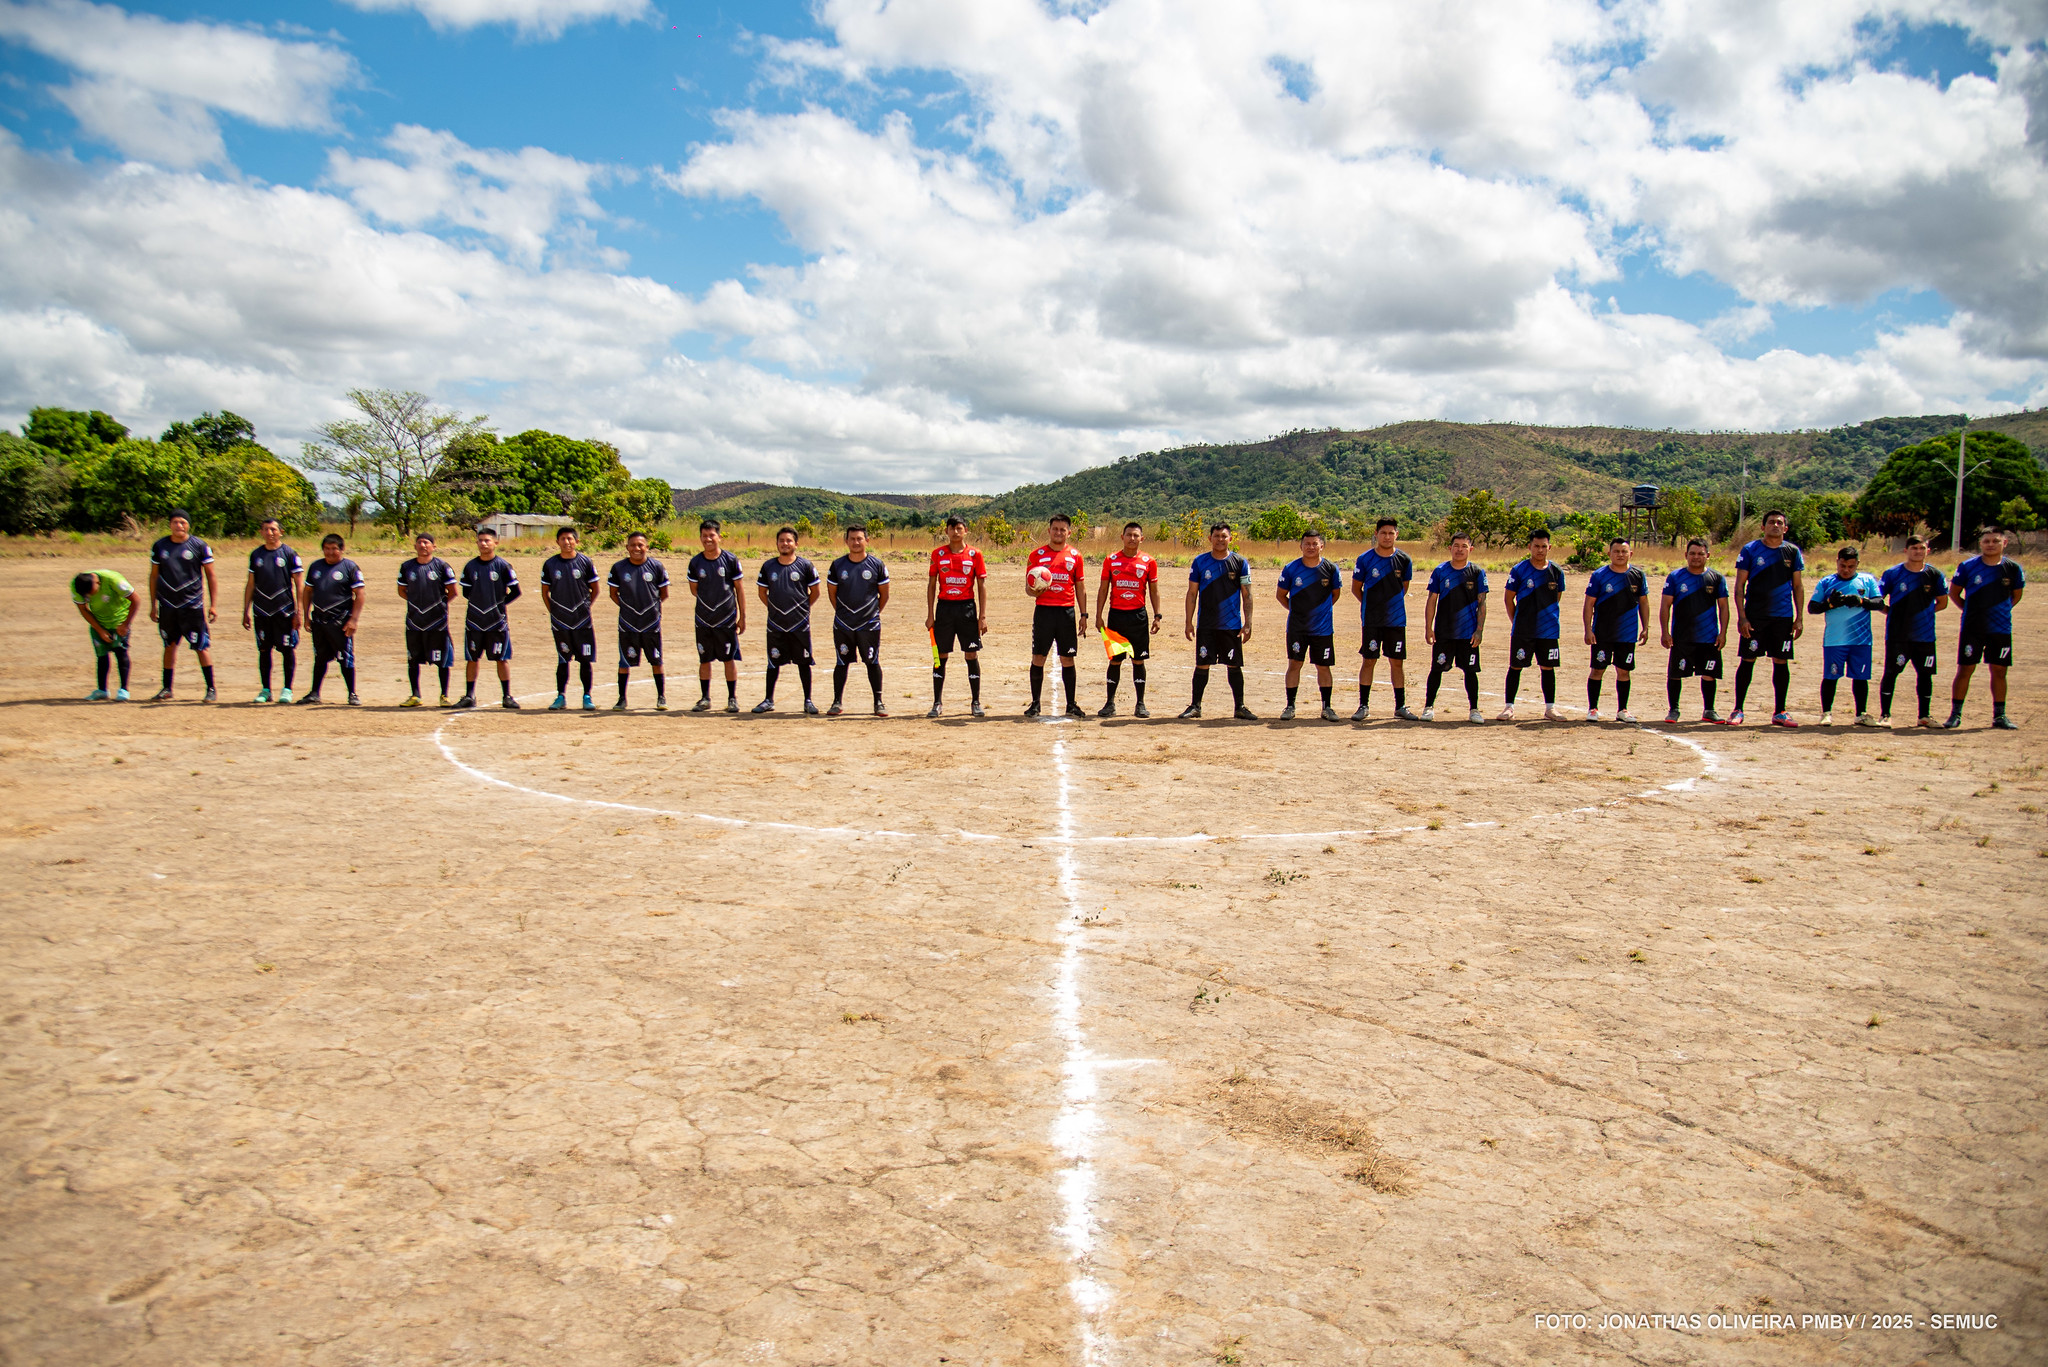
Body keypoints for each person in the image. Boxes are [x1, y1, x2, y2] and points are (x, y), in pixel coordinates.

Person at [1732, 510, 1806, 727]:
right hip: (1755, 616)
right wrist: (1742, 617)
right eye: (1771, 522)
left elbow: (1798, 586)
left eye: (1780, 523)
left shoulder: (1792, 552)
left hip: (1782, 617)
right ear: (1763, 527)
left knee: (1781, 661)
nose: (1775, 525)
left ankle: (1780, 711)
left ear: (1786, 528)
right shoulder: (1751, 550)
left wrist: (1799, 617)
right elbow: (1739, 586)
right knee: (1748, 660)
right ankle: (1738, 709)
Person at [1946, 527, 2025, 730]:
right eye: (1986, 541)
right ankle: (1955, 714)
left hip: (2000, 629)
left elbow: (2016, 595)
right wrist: (1968, 610)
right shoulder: (1968, 566)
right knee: (1965, 669)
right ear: (1980, 544)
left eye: (1995, 541)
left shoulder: (2012, 568)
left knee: (1999, 670)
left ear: (2004, 543)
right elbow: (1954, 593)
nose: (1991, 545)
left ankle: (2000, 716)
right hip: (1972, 628)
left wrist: (2001, 611)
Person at [1182, 522, 1255, 720]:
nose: (1220, 540)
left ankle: (1240, 707)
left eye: (1224, 536)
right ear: (1210, 538)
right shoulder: (1200, 562)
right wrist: (1188, 622)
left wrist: (1248, 623)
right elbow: (1192, 593)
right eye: (1216, 536)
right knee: (1202, 664)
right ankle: (1195, 706)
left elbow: (1247, 594)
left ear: (1230, 538)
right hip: (1206, 624)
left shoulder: (1240, 562)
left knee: (1234, 665)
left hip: (1231, 625)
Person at [147, 509, 218, 702]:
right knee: (169, 646)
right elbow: (154, 576)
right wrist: (153, 604)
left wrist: (213, 605)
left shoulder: (199, 545)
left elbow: (211, 575)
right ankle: (167, 688)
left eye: (183, 522)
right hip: (168, 605)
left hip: (192, 605)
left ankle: (211, 689)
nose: (179, 525)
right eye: (175, 522)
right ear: (170, 524)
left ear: (188, 525)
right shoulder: (160, 546)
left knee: (201, 646)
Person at [1809, 545, 1883, 726]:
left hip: (1861, 640)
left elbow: (1879, 603)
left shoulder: (1867, 580)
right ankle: (1826, 713)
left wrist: (1861, 601)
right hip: (1835, 640)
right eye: (1842, 566)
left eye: (1851, 566)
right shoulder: (1826, 582)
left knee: (1861, 677)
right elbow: (1812, 608)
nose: (1846, 570)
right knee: (1831, 676)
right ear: (1837, 562)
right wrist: (1830, 603)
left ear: (1857, 564)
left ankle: (1861, 714)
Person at [1877, 536, 1947, 728]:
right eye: (1914, 548)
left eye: (1922, 548)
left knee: (1925, 675)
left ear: (1928, 550)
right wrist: (1890, 612)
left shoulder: (1934, 574)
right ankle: (1885, 715)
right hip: (1898, 635)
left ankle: (1924, 715)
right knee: (1891, 673)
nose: (1918, 551)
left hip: (1925, 636)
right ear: (1906, 550)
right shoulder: (1893, 573)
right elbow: (1878, 599)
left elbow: (1943, 602)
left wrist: (1924, 614)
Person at [1658, 537, 1730, 724]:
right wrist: (1665, 632)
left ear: (1707, 555)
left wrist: (1723, 633)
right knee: (1675, 673)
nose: (1696, 557)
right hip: (1682, 637)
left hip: (1708, 637)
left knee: (1709, 674)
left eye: (1700, 554)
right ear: (1686, 555)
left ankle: (1709, 710)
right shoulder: (1675, 577)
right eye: (1692, 554)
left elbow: (1723, 607)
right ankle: (1674, 710)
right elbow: (1665, 605)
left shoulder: (1716, 578)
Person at [1351, 517, 1416, 721]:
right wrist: (1372, 605)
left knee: (1396, 662)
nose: (1387, 537)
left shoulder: (1404, 560)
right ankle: (1363, 705)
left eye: (1391, 533)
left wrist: (1390, 605)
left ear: (1396, 535)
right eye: (1383, 533)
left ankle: (1400, 706)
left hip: (1396, 620)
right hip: (1372, 620)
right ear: (1376, 534)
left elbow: (1403, 587)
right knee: (1369, 660)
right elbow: (1356, 588)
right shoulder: (1365, 559)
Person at [1096, 521, 1162, 717]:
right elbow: (1103, 589)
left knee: (1138, 661)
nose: (1132, 538)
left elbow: (1154, 591)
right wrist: (1098, 615)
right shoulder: (1111, 560)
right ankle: (1109, 703)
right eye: (1129, 535)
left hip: (1138, 617)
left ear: (1142, 538)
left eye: (1136, 535)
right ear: (1122, 537)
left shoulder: (1149, 561)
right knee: (1115, 661)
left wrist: (1157, 616)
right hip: (1116, 616)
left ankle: (1140, 704)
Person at [1422, 532, 1488, 723]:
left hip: (1468, 633)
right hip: (1444, 631)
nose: (1460, 550)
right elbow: (1432, 600)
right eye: (1456, 546)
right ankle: (1428, 707)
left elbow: (1482, 603)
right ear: (1450, 548)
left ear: (1471, 549)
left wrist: (1479, 630)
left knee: (1471, 671)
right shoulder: (1440, 571)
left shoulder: (1477, 572)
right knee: (1436, 669)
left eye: (1464, 546)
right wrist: (1429, 628)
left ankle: (1474, 709)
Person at [1501, 529, 1566, 721]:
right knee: (1515, 666)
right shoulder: (1519, 570)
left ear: (1549, 547)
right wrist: (1517, 621)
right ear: (1529, 547)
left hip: (1548, 630)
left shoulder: (1556, 572)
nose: (1540, 550)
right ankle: (1509, 707)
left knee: (1548, 667)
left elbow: (1557, 597)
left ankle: (1550, 708)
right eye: (1536, 546)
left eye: (1544, 546)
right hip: (1524, 629)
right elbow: (1509, 599)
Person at [1025, 514, 1087, 718]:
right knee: (1038, 657)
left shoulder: (1075, 556)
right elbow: (1028, 588)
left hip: (1066, 612)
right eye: (1055, 529)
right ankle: (1035, 704)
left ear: (1069, 532)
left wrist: (1084, 614)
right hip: (1044, 612)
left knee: (1067, 658)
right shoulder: (1036, 555)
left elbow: (1080, 587)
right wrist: (1036, 590)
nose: (1058, 532)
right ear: (1049, 530)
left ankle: (1071, 704)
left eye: (1062, 529)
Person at [926, 515, 988, 717]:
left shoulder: (975, 554)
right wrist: (930, 614)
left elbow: (981, 586)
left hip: (967, 609)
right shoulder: (938, 554)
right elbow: (932, 585)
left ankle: (975, 702)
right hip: (944, 609)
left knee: (971, 654)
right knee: (941, 655)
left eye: (959, 528)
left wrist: (982, 616)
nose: (955, 532)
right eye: (952, 528)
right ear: (946, 531)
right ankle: (937, 703)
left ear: (965, 530)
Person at [755, 525, 822, 714]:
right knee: (773, 662)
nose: (785, 543)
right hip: (775, 624)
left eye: (789, 540)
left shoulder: (805, 565)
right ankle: (768, 700)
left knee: (804, 663)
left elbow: (815, 592)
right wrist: (774, 609)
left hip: (799, 624)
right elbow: (762, 592)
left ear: (796, 544)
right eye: (781, 541)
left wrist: (803, 609)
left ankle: (808, 701)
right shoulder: (768, 566)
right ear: (777, 543)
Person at [1276, 529, 1341, 720]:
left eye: (1315, 544)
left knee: (1323, 666)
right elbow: (1281, 595)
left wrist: (1320, 611)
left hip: (1322, 629)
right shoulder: (1291, 569)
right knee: (1294, 664)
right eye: (1307, 544)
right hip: (1297, 628)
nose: (1311, 547)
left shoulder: (1331, 569)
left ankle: (1327, 707)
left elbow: (1335, 594)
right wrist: (1297, 611)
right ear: (1301, 546)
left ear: (1322, 546)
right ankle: (1290, 706)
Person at [1582, 537, 1649, 723]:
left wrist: (1645, 627)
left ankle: (1622, 710)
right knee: (1597, 670)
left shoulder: (1638, 575)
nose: (1620, 554)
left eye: (1624, 551)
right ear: (1609, 553)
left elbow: (1644, 602)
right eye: (1616, 551)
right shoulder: (1599, 575)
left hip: (1627, 634)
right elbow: (1589, 604)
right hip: (1602, 633)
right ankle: (1593, 709)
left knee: (1624, 671)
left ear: (1630, 554)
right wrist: (1588, 629)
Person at [828, 524, 890, 716]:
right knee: (841, 662)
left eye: (859, 538)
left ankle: (878, 702)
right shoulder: (837, 565)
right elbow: (832, 595)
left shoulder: (877, 565)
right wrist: (844, 614)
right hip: (843, 624)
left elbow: (884, 595)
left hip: (869, 625)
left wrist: (872, 614)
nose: (856, 542)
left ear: (867, 540)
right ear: (846, 541)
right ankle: (836, 702)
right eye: (852, 539)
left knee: (872, 662)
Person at [297, 533, 365, 705]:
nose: (330, 552)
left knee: (345, 658)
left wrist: (353, 620)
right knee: (320, 657)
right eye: (326, 548)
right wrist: (306, 616)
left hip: (340, 621)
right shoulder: (316, 567)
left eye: (334, 548)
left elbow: (360, 594)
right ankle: (314, 693)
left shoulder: (349, 567)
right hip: (319, 620)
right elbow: (308, 591)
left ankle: (352, 693)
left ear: (342, 549)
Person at [456, 528, 520, 710]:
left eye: (487, 540)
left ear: (495, 543)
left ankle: (507, 696)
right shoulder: (470, 566)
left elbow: (515, 591)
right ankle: (469, 695)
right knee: (472, 658)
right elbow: (466, 592)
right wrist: (480, 605)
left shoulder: (503, 566)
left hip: (497, 622)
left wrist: (499, 605)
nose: (483, 543)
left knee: (501, 658)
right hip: (474, 621)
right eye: (480, 540)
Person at [540, 526, 602, 712]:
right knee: (563, 659)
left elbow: (595, 589)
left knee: (585, 660)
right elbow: (545, 593)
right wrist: (554, 612)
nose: (567, 542)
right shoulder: (550, 564)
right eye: (563, 539)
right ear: (557, 542)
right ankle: (561, 696)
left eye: (570, 538)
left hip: (582, 621)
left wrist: (585, 608)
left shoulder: (585, 562)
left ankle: (587, 696)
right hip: (560, 622)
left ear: (576, 541)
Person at [241, 518, 303, 704]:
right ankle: (266, 690)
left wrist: (299, 611)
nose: (270, 533)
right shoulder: (256, 555)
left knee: (287, 650)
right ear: (261, 532)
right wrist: (245, 610)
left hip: (284, 611)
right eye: (266, 529)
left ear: (280, 532)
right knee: (264, 650)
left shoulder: (289, 554)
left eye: (273, 529)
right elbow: (251, 584)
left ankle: (287, 689)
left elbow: (299, 584)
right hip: (261, 611)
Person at [688, 519, 747, 713]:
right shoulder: (695, 562)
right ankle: (705, 698)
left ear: (719, 537)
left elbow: (739, 589)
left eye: (711, 535)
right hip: (703, 619)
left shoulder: (730, 560)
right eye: (704, 536)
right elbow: (694, 590)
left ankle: (732, 698)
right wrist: (709, 605)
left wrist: (742, 617)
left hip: (726, 619)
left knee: (728, 658)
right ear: (700, 538)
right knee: (704, 659)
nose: (708, 539)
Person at [609, 531, 670, 712]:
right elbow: (613, 594)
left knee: (657, 661)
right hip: (627, 624)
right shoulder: (618, 568)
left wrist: (651, 609)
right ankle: (622, 699)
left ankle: (661, 697)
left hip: (651, 624)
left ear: (647, 547)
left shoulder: (656, 566)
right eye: (633, 545)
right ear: (627, 547)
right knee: (624, 662)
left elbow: (664, 594)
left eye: (640, 545)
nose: (637, 548)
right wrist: (628, 609)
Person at [396, 532, 458, 707]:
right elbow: (401, 591)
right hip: (414, 621)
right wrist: (417, 604)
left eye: (426, 542)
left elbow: (453, 591)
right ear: (415, 546)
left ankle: (444, 695)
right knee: (413, 659)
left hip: (437, 622)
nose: (423, 545)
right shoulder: (406, 567)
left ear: (434, 546)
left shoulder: (442, 566)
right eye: (420, 542)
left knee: (442, 660)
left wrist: (438, 606)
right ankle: (415, 695)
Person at [71, 569, 141, 701]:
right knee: (101, 656)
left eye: (92, 592)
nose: (89, 596)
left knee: (121, 653)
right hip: (99, 622)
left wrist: (125, 624)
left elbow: (136, 599)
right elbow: (83, 609)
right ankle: (102, 690)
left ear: (97, 583)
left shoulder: (114, 580)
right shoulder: (77, 586)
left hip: (119, 621)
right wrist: (99, 630)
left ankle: (124, 690)